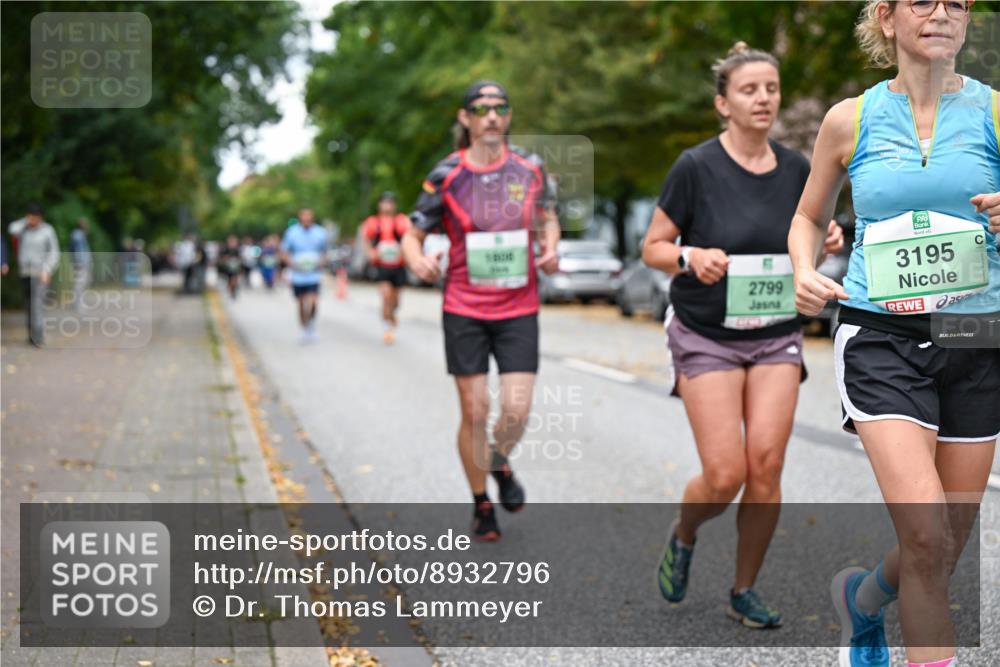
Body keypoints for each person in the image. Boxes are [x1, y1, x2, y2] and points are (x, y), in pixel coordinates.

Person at [788, 2, 999, 665]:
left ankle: (863, 600)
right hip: (881, 336)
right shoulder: (847, 119)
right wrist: (802, 266)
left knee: (942, 544)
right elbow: (806, 214)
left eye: (957, 3)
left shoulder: (995, 111)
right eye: (922, 1)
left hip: (977, 337)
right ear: (885, 18)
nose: (942, 14)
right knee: (928, 538)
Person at [642, 42, 844, 628]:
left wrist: (823, 242)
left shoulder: (799, 169)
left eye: (771, 89)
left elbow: (811, 230)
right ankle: (685, 535)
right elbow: (652, 247)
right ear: (722, 104)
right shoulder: (695, 167)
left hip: (776, 329)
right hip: (706, 331)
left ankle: (744, 589)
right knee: (726, 473)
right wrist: (689, 257)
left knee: (767, 464)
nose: (763, 99)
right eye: (749, 90)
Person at [403, 81, 561, 541]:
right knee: (475, 409)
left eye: (500, 108)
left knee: (516, 408)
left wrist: (550, 247)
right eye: (482, 109)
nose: (492, 116)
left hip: (518, 306)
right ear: (466, 118)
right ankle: (482, 503)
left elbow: (548, 216)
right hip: (464, 307)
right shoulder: (447, 173)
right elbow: (414, 232)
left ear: (508, 116)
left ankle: (498, 461)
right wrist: (417, 259)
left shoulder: (531, 168)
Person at [362, 191, 412, 344]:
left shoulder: (402, 220)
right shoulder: (373, 222)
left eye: (390, 202)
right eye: (384, 202)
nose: (387, 205)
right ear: (380, 205)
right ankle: (387, 327)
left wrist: (408, 255)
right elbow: (366, 240)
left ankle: (391, 314)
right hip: (382, 266)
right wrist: (370, 253)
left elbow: (410, 238)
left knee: (396, 300)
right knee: (386, 295)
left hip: (398, 265)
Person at [8, 203, 60, 346]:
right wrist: (26, 221)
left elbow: (54, 252)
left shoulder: (48, 231)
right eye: (31, 217)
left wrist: (47, 270)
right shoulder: (23, 229)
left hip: (40, 273)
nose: (33, 220)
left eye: (35, 217)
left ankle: (38, 336)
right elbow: (11, 229)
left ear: (41, 217)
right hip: (25, 272)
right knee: (29, 305)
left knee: (37, 304)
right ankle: (31, 334)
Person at [281, 208, 329, 343]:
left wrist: (322, 262)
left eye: (309, 217)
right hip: (298, 274)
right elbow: (284, 251)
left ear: (313, 218)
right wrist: (291, 263)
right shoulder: (292, 232)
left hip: (314, 274)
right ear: (300, 218)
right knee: (301, 302)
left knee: (314, 300)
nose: (306, 219)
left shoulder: (320, 232)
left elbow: (325, 251)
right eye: (304, 217)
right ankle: (304, 328)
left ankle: (311, 323)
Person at [70, 217, 92, 312]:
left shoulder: (80, 235)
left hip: (82, 261)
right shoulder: (77, 235)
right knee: (79, 283)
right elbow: (76, 250)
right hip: (80, 262)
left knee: (82, 283)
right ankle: (77, 304)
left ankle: (79, 302)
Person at [217, 235, 242, 300]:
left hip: (235, 267)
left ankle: (234, 289)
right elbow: (221, 258)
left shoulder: (237, 249)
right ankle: (231, 290)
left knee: (234, 279)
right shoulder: (225, 249)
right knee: (230, 280)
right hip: (228, 267)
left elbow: (240, 258)